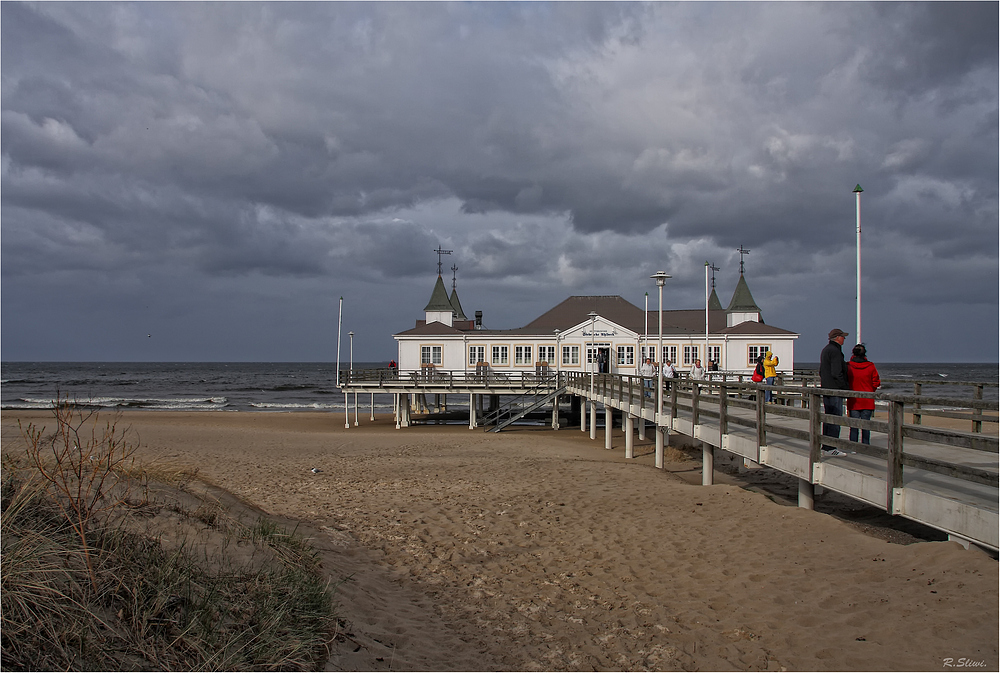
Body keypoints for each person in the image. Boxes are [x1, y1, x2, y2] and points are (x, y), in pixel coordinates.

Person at [819, 328, 850, 455]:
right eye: (843, 337)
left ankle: (825, 446)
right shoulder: (835, 351)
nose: (844, 339)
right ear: (837, 338)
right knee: (836, 418)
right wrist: (844, 387)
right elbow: (837, 372)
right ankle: (831, 447)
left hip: (826, 388)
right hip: (835, 389)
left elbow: (821, 371)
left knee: (828, 417)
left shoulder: (826, 350)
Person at [847, 343, 880, 445]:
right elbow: (876, 382)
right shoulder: (870, 366)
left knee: (854, 425)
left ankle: (853, 446)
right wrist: (871, 390)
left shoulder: (849, 366)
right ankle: (865, 445)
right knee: (866, 425)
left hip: (854, 400)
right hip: (867, 399)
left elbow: (845, 381)